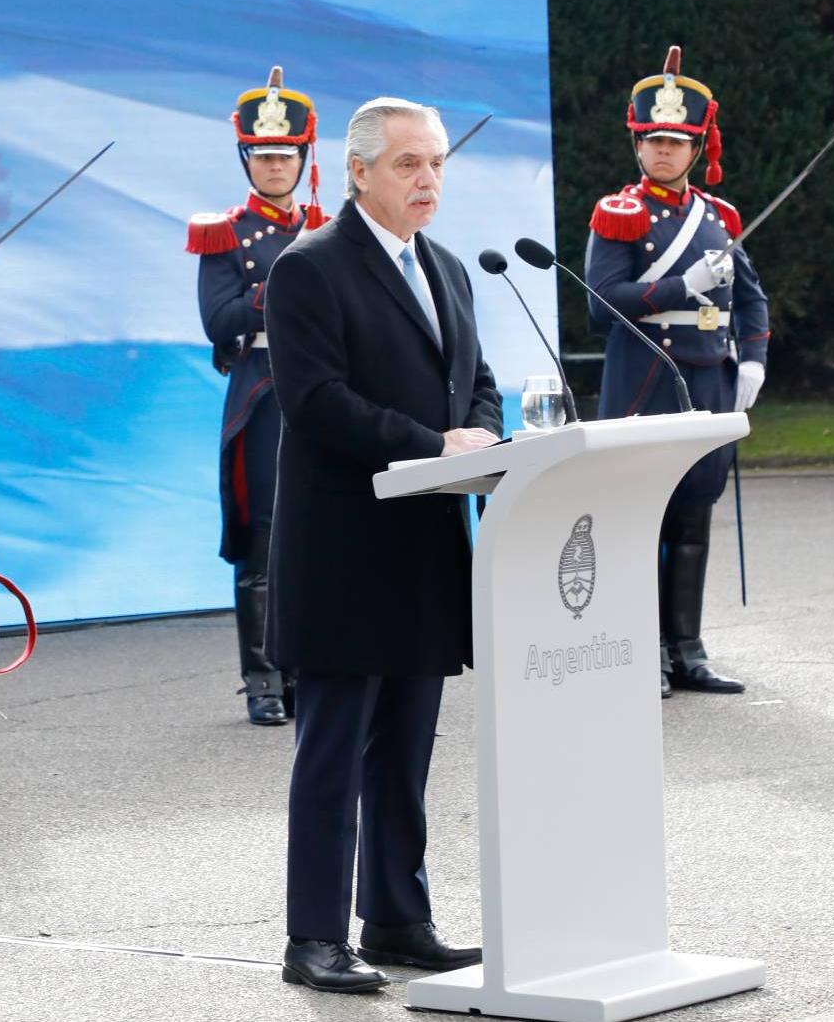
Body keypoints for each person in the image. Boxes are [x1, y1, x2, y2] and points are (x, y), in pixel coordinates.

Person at [265, 96, 498, 993]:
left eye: (436, 162)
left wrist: (478, 437)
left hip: (427, 545)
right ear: (358, 171)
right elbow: (316, 403)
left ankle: (397, 917)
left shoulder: (447, 267)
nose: (428, 178)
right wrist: (435, 445)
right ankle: (314, 935)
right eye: (408, 163)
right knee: (334, 753)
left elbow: (472, 380)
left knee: (406, 749)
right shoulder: (310, 269)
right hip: (346, 552)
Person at [582, 45, 770, 699]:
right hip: (647, 381)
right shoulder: (620, 213)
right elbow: (602, 303)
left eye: (678, 141)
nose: (664, 151)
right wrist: (677, 284)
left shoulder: (720, 218)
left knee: (694, 517)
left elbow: (752, 298)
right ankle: (642, 650)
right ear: (638, 143)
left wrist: (753, 356)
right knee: (644, 520)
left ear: (697, 147)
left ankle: (686, 647)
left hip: (710, 382)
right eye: (654, 140)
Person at [190, 66, 327, 726]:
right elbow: (218, 320)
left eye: (286, 154)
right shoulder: (225, 233)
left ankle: (308, 668)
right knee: (265, 540)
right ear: (246, 157)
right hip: (265, 395)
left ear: (304, 158)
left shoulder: (334, 227)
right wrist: (284, 284)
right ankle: (265, 677)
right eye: (264, 154)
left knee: (320, 538)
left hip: (326, 393)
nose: (275, 164)